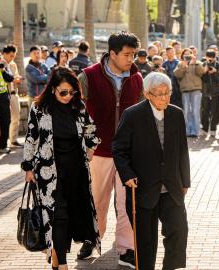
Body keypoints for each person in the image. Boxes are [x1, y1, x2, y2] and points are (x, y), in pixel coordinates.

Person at [21, 67, 101, 270]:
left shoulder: (78, 106)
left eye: (72, 92)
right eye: (63, 92)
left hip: (76, 172)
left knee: (72, 217)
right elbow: (31, 139)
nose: (68, 96)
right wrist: (28, 168)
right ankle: (62, 265)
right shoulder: (39, 108)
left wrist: (91, 148)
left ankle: (56, 261)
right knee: (58, 216)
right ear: (53, 88)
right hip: (49, 173)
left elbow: (91, 128)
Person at [76, 31, 142, 267]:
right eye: (126, 54)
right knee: (97, 200)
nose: (131, 59)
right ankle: (91, 237)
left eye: (134, 54)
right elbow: (75, 111)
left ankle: (127, 248)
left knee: (126, 203)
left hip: (127, 154)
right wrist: (85, 143)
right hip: (98, 152)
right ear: (112, 53)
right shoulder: (88, 76)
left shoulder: (136, 78)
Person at [112, 72, 190, 270]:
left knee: (178, 230)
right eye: (159, 94)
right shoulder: (132, 115)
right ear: (147, 94)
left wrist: (185, 181)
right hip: (142, 188)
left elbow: (182, 150)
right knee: (146, 242)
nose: (164, 98)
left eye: (167, 93)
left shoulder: (176, 114)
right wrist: (127, 175)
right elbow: (119, 149)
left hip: (171, 187)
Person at [174, 48, 204, 137]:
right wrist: (183, 66)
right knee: (186, 111)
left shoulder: (197, 62)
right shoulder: (180, 64)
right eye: (185, 55)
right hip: (185, 90)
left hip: (196, 90)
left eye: (189, 55)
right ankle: (187, 131)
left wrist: (196, 64)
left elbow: (201, 73)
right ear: (182, 56)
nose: (187, 57)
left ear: (192, 55)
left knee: (195, 111)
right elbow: (177, 75)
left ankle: (195, 131)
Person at [2, 45, 24, 148]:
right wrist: (13, 79)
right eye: (11, 55)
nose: (13, 58)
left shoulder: (13, 64)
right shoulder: (0, 64)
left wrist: (17, 79)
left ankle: (13, 140)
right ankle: (2, 142)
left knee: (16, 117)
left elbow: (15, 76)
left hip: (14, 93)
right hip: (3, 95)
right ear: (5, 54)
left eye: (14, 56)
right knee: (4, 119)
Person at [200, 49, 219, 137]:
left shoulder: (218, 65)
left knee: (216, 112)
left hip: (215, 92)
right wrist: (204, 71)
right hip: (205, 92)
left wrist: (215, 72)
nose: (210, 59)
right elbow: (200, 78)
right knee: (204, 112)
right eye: (209, 57)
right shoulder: (202, 65)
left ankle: (213, 129)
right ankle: (205, 129)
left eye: (212, 57)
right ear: (206, 57)